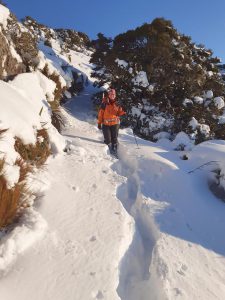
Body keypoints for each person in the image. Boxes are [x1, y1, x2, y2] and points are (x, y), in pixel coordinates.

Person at [97, 88, 125, 154]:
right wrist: (99, 123)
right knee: (108, 140)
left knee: (114, 139)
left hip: (115, 124)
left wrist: (123, 111)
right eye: (111, 94)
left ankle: (115, 151)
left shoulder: (117, 103)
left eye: (113, 94)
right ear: (108, 95)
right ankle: (107, 152)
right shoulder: (104, 103)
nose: (112, 95)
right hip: (106, 124)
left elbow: (120, 113)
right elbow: (100, 114)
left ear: (115, 95)